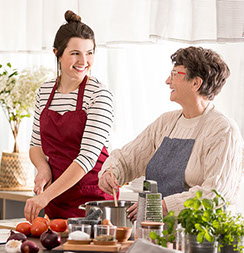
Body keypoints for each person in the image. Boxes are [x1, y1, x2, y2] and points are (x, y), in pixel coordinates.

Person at [98, 46, 243, 219]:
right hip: (158, 231)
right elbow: (127, 159)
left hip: (201, 239)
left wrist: (165, 206)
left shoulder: (223, 130)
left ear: (196, 83)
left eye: (175, 74)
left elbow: (216, 194)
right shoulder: (166, 123)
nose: (168, 80)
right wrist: (110, 173)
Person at [24, 10, 114, 222]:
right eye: (75, 53)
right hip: (56, 199)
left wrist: (44, 196)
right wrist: (43, 168)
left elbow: (88, 158)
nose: (84, 61)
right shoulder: (45, 92)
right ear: (57, 53)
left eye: (90, 53)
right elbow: (36, 145)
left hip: (92, 204)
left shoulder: (99, 94)